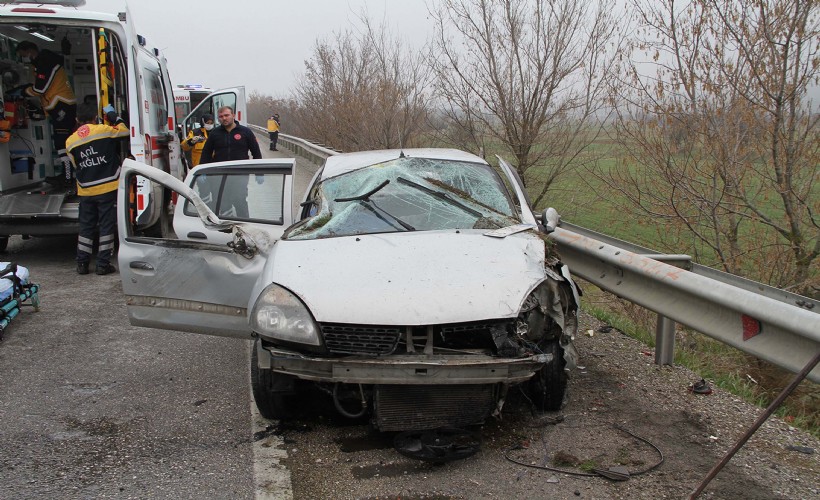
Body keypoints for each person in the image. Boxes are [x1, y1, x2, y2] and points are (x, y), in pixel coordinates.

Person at [65, 103, 128, 276]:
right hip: (107, 187)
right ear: (95, 118)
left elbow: (76, 165)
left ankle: (82, 264)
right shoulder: (104, 130)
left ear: (77, 120)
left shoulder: (70, 141)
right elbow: (124, 131)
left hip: (86, 190)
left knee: (86, 227)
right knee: (106, 226)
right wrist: (113, 115)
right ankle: (102, 264)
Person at [13, 41, 77, 189]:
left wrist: (23, 91)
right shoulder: (44, 61)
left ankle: (67, 178)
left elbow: (40, 89)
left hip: (62, 105)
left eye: (24, 55)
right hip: (60, 105)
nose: (25, 59)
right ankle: (66, 176)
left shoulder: (45, 62)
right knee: (61, 143)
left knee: (62, 143)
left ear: (30, 51)